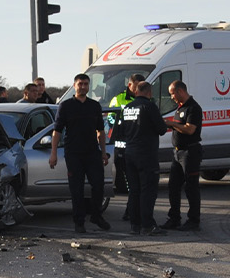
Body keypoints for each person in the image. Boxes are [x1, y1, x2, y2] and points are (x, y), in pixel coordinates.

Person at [49, 73, 111, 234]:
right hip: (73, 153)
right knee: (76, 190)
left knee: (98, 186)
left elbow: (100, 131)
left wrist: (103, 152)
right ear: (74, 86)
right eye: (80, 84)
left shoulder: (94, 106)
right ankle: (79, 222)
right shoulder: (66, 106)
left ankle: (96, 216)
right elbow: (57, 131)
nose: (83, 86)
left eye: (85, 84)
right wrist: (53, 153)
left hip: (92, 153)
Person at [119, 81, 169, 236]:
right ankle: (147, 225)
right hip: (146, 154)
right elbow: (162, 129)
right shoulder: (149, 107)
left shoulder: (127, 108)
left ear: (136, 91)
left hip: (130, 153)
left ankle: (135, 225)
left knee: (134, 191)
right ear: (149, 92)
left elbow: (121, 131)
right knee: (148, 191)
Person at [162, 80, 203, 231]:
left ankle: (193, 220)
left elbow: (190, 129)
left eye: (172, 93)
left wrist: (171, 124)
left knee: (191, 187)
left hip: (190, 152)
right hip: (177, 153)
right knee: (173, 186)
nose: (171, 97)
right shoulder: (180, 108)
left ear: (180, 91)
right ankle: (174, 218)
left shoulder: (193, 108)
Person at [109, 73, 146, 220]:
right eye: (136, 85)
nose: (138, 88)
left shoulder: (145, 99)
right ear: (129, 85)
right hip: (122, 146)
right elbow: (111, 117)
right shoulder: (118, 99)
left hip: (137, 145)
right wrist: (126, 125)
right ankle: (131, 212)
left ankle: (131, 211)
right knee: (131, 183)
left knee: (135, 183)